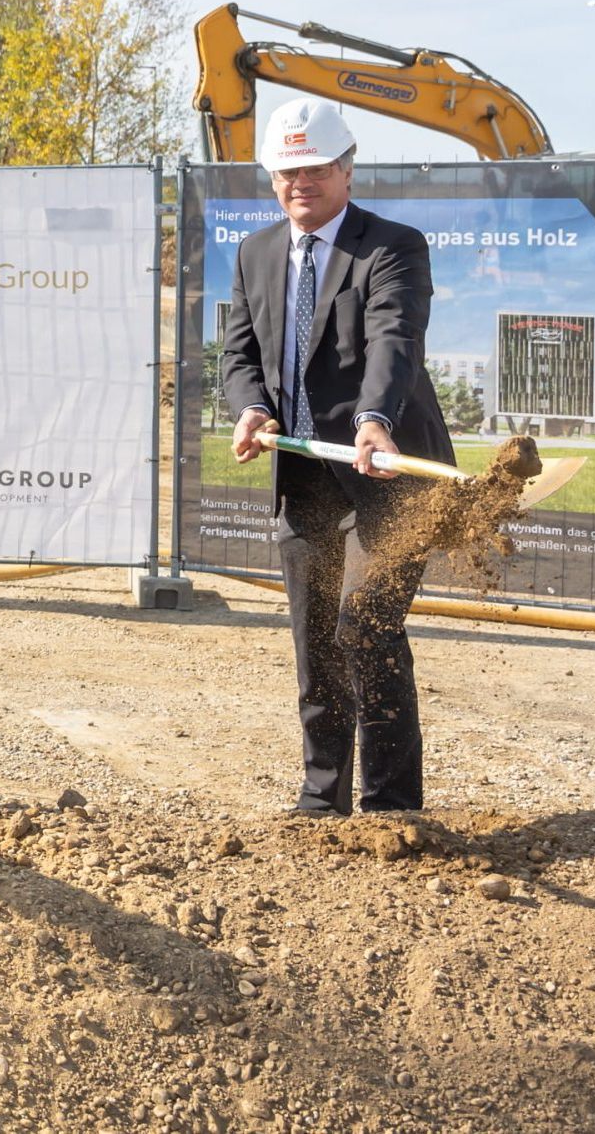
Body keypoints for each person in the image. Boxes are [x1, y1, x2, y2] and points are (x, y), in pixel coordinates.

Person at [220, 98, 454, 815]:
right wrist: (250, 408)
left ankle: (392, 807)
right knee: (316, 641)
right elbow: (239, 354)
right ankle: (322, 800)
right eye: (286, 171)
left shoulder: (391, 247)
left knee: (365, 627)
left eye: (315, 168)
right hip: (303, 482)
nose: (300, 183)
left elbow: (394, 338)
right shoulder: (256, 253)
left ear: (347, 170)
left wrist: (374, 419)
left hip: (387, 478)